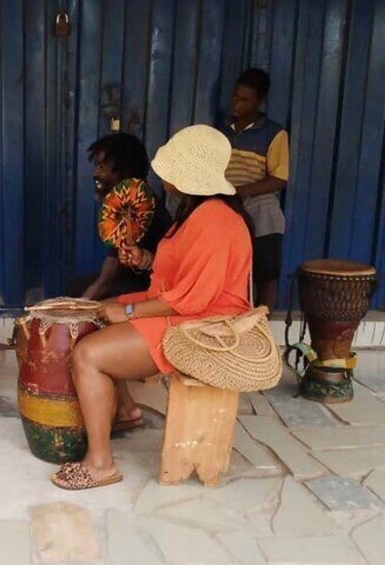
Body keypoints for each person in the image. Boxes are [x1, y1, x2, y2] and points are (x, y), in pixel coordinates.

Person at [50, 125, 253, 490]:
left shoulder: (216, 219)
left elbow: (193, 299)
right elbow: (177, 277)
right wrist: (144, 259)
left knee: (88, 355)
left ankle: (100, 464)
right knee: (98, 313)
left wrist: (128, 312)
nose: (163, 176)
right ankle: (125, 411)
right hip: (187, 313)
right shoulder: (196, 213)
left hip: (202, 329)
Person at [66, 133, 172, 432]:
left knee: (91, 308)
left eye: (103, 166)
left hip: (152, 293)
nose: (96, 174)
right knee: (79, 290)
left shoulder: (138, 206)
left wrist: (80, 307)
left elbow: (109, 274)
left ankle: (119, 402)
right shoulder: (130, 201)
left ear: (123, 170)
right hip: (137, 282)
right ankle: (124, 405)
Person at [221, 68, 289, 311]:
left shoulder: (274, 133)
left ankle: (263, 317)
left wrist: (239, 191)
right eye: (235, 97)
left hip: (253, 197)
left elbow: (279, 179)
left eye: (244, 100)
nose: (235, 103)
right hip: (221, 196)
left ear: (259, 102)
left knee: (269, 212)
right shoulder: (221, 130)